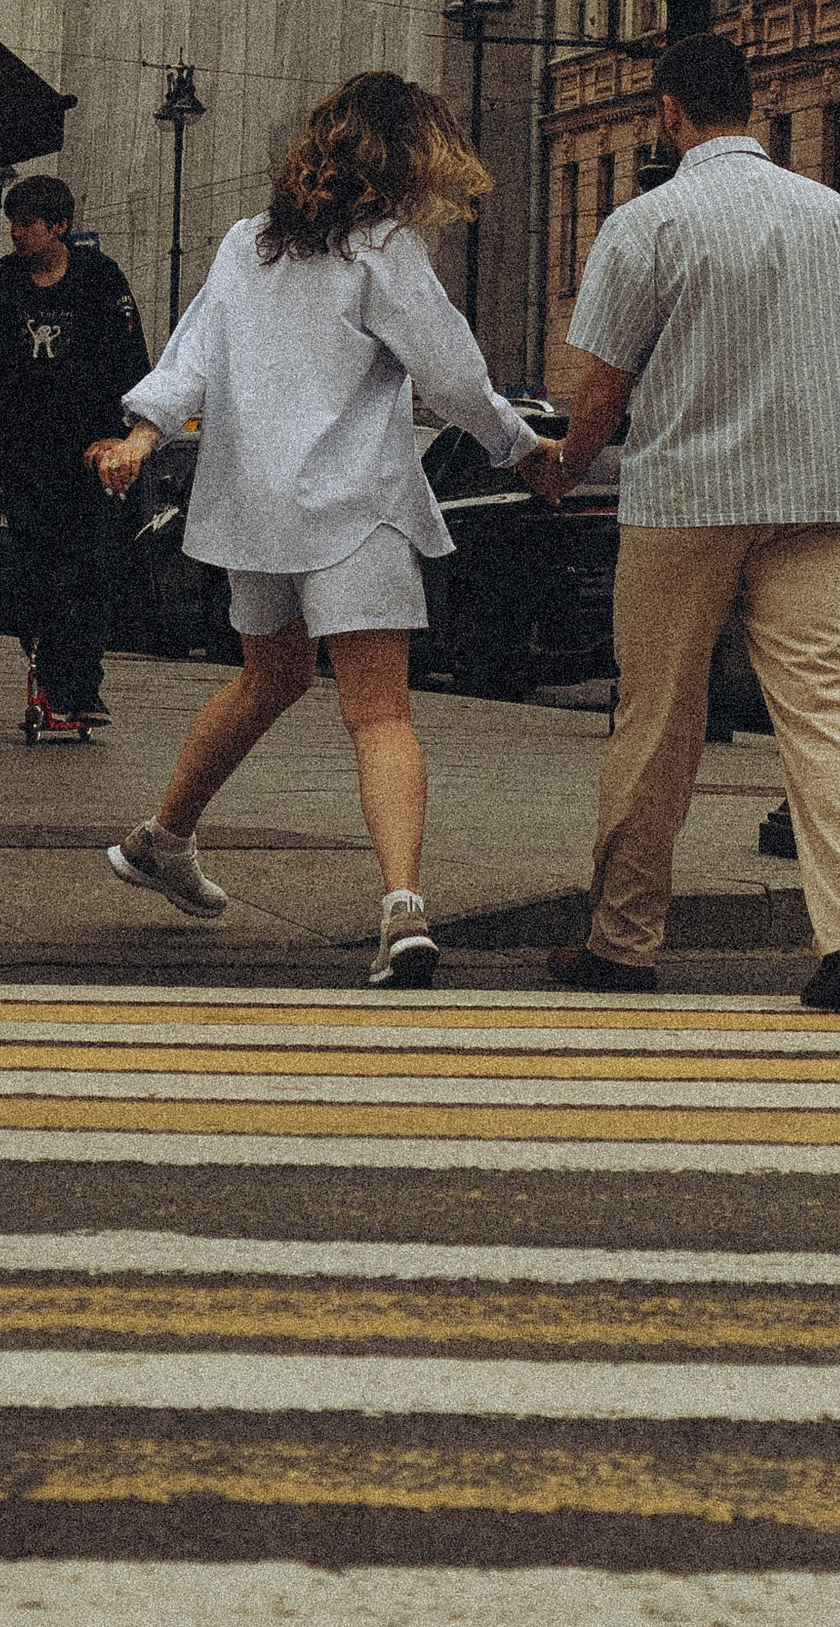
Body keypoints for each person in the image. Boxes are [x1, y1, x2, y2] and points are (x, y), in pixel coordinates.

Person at [90, 70, 560, 984]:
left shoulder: (248, 245)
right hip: (351, 506)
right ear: (405, 160)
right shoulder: (382, 251)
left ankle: (163, 840)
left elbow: (191, 356)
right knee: (379, 711)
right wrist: (518, 447)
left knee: (269, 679)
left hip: (254, 507)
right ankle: (403, 908)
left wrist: (141, 436)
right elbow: (454, 379)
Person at [542, 31, 840, 1012]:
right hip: (818, 500)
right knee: (827, 709)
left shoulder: (646, 225)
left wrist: (566, 469)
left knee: (658, 716)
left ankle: (621, 941)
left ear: (669, 113)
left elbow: (602, 385)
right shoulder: (832, 215)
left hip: (685, 504)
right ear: (750, 105)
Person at [0, 174, 149, 739]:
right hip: (20, 447)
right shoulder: (2, 283)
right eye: (13, 223)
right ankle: (51, 673)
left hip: (84, 450)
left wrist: (122, 431)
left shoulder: (98, 279)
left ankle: (80, 688)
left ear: (58, 226)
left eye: (28, 224)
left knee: (84, 569)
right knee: (34, 570)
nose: (17, 233)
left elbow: (129, 357)